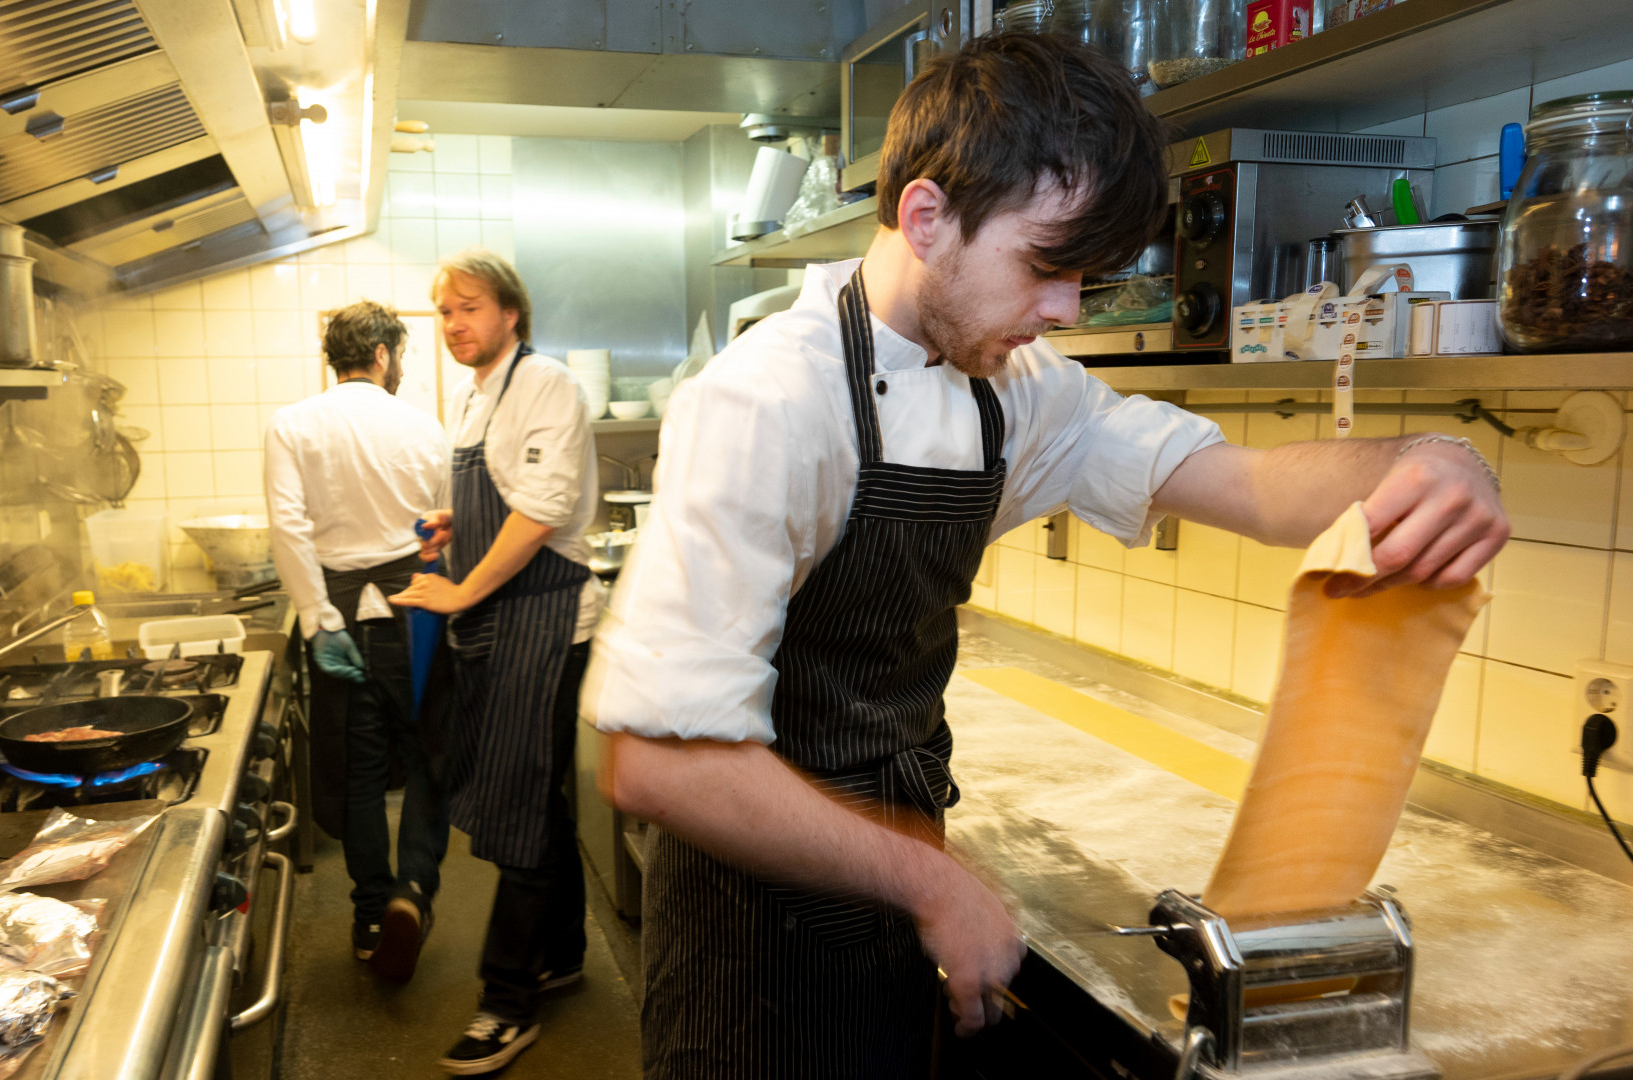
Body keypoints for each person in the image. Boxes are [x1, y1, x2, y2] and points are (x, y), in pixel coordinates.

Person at [584, 33, 1509, 1079]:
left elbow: (1237, 484)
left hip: (889, 899)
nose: (1066, 310)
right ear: (928, 217)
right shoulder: (767, 401)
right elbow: (660, 759)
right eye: (1046, 265)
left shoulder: (1013, 387)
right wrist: (937, 882)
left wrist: (1432, 457)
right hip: (752, 948)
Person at [391, 248, 605, 1075]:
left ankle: (506, 1003)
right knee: (535, 801)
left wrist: (458, 589)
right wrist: (456, 524)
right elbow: (510, 490)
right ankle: (564, 954)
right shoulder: (479, 397)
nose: (454, 325)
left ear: (511, 313)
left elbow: (546, 509)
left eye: (469, 308)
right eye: (445, 312)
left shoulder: (545, 382)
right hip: (500, 618)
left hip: (545, 619)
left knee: (516, 808)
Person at [264, 300, 452, 983]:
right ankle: (414, 890)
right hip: (417, 608)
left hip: (339, 607)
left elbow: (287, 530)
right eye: (396, 355)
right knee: (429, 755)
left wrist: (318, 619)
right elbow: (442, 530)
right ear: (381, 353)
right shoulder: (425, 427)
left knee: (362, 772)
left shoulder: (290, 425)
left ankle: (372, 916)